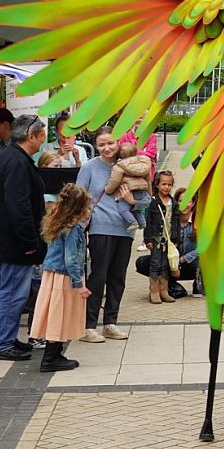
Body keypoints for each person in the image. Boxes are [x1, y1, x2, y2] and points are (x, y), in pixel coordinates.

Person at [0, 114, 47, 361]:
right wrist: (29, 242)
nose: (43, 141)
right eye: (41, 136)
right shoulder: (17, 161)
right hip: (12, 244)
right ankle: (0, 344)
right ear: (31, 136)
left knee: (11, 292)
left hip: (5, 240)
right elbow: (18, 206)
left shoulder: (12, 156)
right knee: (11, 293)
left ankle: (6, 339)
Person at [76, 129, 136, 343]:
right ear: (96, 146)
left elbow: (143, 195)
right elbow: (78, 197)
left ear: (118, 142)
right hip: (100, 227)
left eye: (111, 143)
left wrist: (132, 201)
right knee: (98, 276)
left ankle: (111, 322)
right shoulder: (89, 167)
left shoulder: (129, 164)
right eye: (102, 145)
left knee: (118, 277)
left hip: (126, 228)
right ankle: (89, 325)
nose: (107, 148)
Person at [30, 185, 92, 373]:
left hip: (54, 275)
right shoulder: (72, 229)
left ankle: (55, 354)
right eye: (86, 207)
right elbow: (71, 258)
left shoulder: (58, 221)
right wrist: (79, 284)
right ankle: (49, 359)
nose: (88, 211)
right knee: (59, 315)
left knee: (57, 314)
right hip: (64, 277)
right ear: (78, 208)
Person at [144, 171, 183, 305]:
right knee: (155, 264)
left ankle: (164, 290)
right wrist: (147, 239)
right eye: (163, 184)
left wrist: (176, 239)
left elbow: (176, 222)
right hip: (156, 238)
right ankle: (153, 291)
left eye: (169, 185)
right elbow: (147, 221)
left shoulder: (173, 202)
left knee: (166, 265)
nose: (166, 187)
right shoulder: (153, 201)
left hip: (169, 239)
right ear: (157, 184)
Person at [106, 141, 154, 232]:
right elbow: (148, 180)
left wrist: (108, 190)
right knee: (137, 209)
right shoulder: (143, 164)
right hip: (142, 191)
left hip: (129, 190)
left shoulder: (119, 166)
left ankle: (133, 222)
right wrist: (149, 193)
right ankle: (142, 222)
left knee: (123, 209)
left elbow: (115, 181)